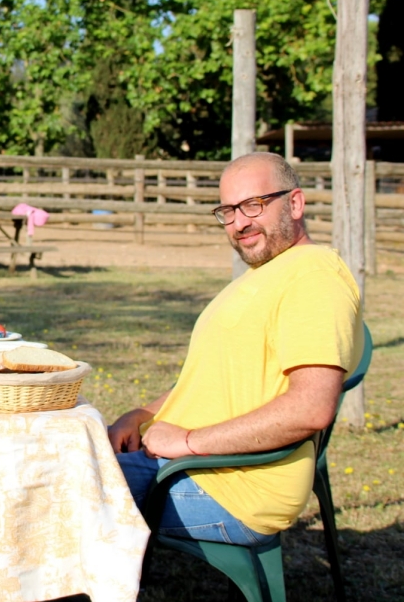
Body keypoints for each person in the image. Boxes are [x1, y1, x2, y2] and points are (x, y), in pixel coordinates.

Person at [108, 152, 364, 546]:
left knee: (55, 490)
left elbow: (311, 407)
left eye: (253, 205)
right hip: (189, 464)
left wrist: (188, 441)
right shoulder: (268, 274)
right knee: (53, 464)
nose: (239, 222)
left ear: (295, 203)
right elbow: (219, 381)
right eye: (228, 211)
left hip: (233, 487)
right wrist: (143, 414)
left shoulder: (313, 276)